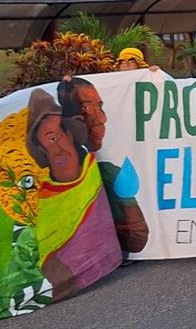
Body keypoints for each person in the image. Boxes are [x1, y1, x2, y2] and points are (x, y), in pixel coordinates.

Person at [25, 89, 122, 300]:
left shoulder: (98, 173)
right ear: (41, 149)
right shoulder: (42, 199)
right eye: (49, 141)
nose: (58, 148)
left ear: (70, 135)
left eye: (58, 136)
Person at [58, 77, 150, 253]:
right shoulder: (51, 177)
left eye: (99, 106)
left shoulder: (109, 173)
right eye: (85, 107)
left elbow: (137, 238)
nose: (101, 118)